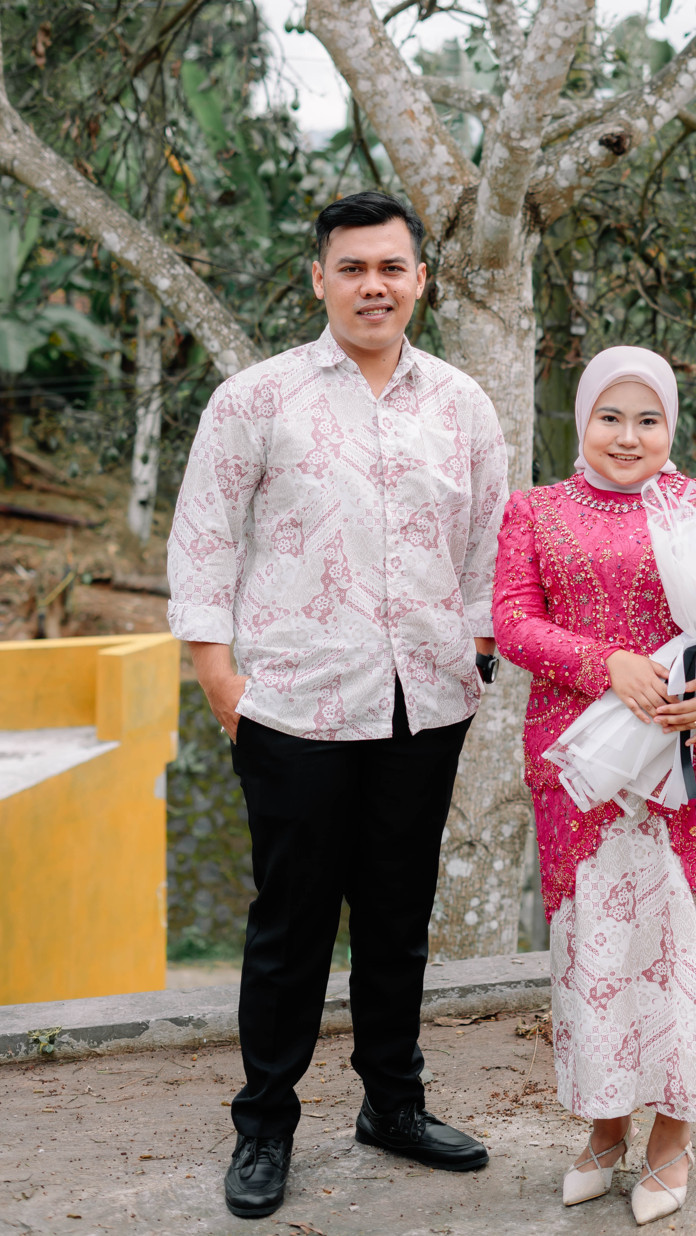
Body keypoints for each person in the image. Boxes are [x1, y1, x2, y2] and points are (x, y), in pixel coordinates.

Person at [167, 190, 508, 1220]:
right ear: (319, 278)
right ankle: (264, 1124)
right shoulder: (257, 398)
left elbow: (489, 544)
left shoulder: (462, 404)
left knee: (398, 918)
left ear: (420, 281)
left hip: (425, 701)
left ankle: (393, 1105)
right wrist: (220, 678)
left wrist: (476, 652)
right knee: (291, 923)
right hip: (294, 705)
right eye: (352, 267)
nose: (373, 285)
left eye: (391, 267)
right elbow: (204, 538)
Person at [492, 345, 696, 1228]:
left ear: (671, 426)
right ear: (583, 421)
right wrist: (605, 662)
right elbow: (512, 621)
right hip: (587, 770)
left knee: (684, 948)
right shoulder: (535, 512)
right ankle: (605, 1127)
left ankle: (673, 1135)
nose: (627, 436)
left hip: (695, 766)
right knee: (598, 953)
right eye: (610, 416)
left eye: (648, 419)